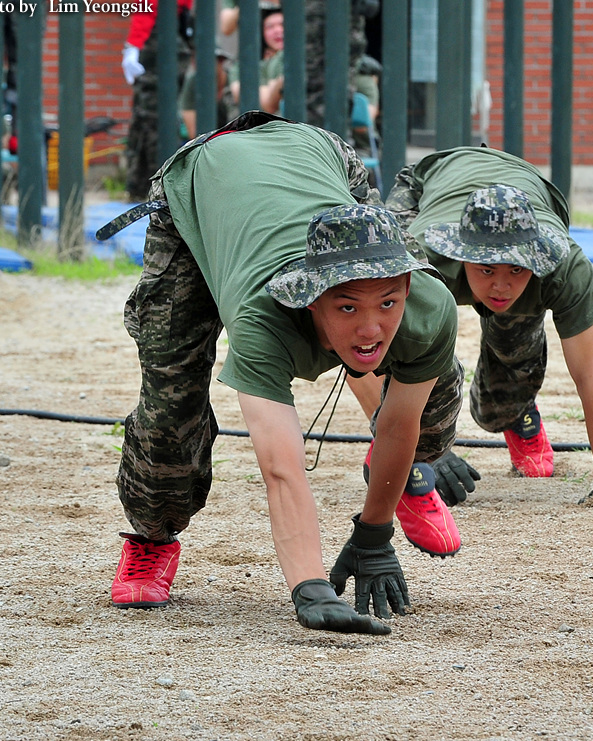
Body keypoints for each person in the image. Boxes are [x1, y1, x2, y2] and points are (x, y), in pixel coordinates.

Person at [99, 112, 470, 630]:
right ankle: (152, 537)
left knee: (430, 412)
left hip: (318, 152)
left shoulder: (429, 307)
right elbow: (281, 466)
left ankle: (402, 486)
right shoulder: (262, 319)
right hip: (204, 177)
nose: (371, 328)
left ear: (408, 287)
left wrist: (374, 532)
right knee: (170, 405)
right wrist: (311, 587)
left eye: (388, 302)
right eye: (346, 308)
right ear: (311, 297)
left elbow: (400, 420)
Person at [384, 147, 593, 510]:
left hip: (529, 185)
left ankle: (518, 413)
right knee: (422, 353)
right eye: (486, 269)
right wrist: (422, 449)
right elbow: (368, 352)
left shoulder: (562, 268)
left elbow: (592, 374)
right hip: (428, 184)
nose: (500, 286)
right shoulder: (419, 260)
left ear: (535, 258)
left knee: (507, 377)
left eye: (515, 269)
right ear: (461, 255)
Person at [115, 0, 195, 202]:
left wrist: (133, 46)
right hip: (176, 36)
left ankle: (148, 197)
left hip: (155, 40)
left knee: (149, 121)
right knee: (163, 115)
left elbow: (146, 2)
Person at [178, 47, 235, 140]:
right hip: (206, 141)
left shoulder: (232, 82)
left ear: (221, 61)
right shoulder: (193, 83)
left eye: (210, 61)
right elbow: (193, 132)